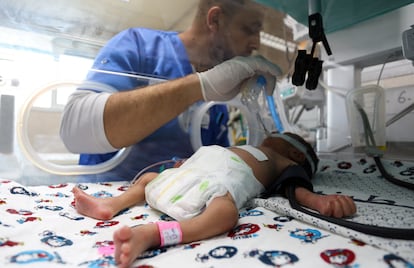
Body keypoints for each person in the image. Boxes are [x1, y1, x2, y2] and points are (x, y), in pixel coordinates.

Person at [60, 0, 281, 180]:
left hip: (173, 207)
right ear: (215, 19)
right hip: (108, 200)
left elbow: (217, 167)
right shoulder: (139, 45)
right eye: (250, 30)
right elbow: (74, 133)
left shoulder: (220, 98)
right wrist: (198, 87)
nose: (256, 44)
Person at [72, 132, 357, 268]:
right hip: (189, 173)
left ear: (296, 155)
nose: (271, 136)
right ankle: (110, 204)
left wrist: (319, 201)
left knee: (225, 214)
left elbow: (292, 188)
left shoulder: (283, 161)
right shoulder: (247, 146)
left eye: (281, 136)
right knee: (148, 181)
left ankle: (152, 235)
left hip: (218, 186)